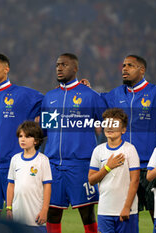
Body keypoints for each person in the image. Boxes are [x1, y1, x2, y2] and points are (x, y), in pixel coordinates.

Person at [103, 55, 156, 221]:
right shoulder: (115, 95)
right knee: (125, 215)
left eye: (130, 65)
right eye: (123, 65)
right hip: (125, 166)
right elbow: (95, 99)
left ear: (142, 70)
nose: (124, 68)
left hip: (150, 167)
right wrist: (85, 87)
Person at [0, 53, 44, 218]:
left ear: (6, 69)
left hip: (16, 165)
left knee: (22, 216)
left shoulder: (24, 94)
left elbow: (51, 104)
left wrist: (39, 136)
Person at [41, 53, 107, 233]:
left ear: (75, 68)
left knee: (87, 213)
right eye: (57, 65)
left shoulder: (90, 96)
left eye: (64, 65)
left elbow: (108, 123)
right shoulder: (51, 97)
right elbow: (46, 130)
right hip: (53, 165)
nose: (59, 68)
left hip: (81, 165)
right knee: (52, 212)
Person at [88, 108, 140, 233]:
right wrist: (107, 167)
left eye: (114, 124)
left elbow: (135, 180)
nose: (110, 128)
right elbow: (91, 180)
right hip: (105, 210)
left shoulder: (130, 149)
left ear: (123, 130)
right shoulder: (98, 150)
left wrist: (127, 207)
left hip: (126, 210)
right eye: (107, 124)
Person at [7, 121, 52, 233]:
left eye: (27, 136)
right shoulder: (15, 159)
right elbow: (11, 185)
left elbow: (47, 186)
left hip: (35, 216)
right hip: (18, 217)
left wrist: (45, 210)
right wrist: (8, 208)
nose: (23, 139)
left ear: (36, 140)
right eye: (21, 136)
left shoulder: (43, 160)